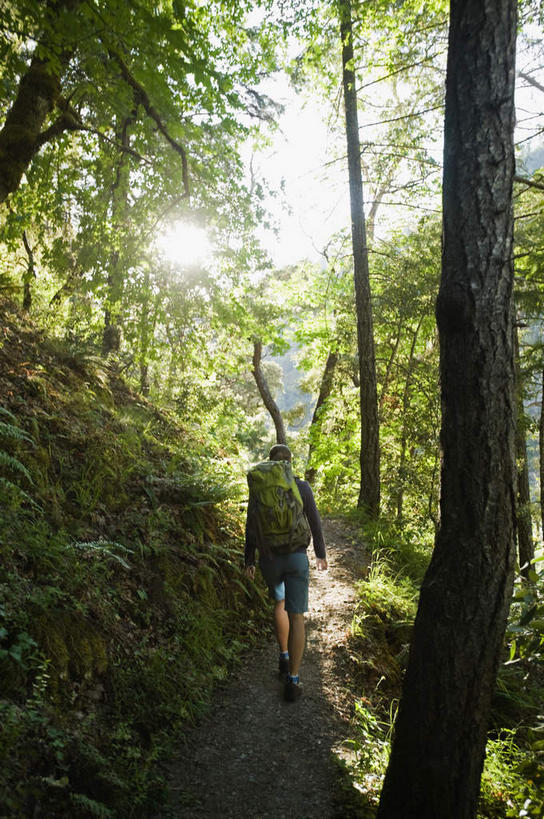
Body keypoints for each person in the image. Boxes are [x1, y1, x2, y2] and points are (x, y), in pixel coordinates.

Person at [244, 444, 327, 702]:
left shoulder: (260, 489)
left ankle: (283, 655)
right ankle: (293, 679)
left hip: (270, 559)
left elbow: (251, 526)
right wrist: (321, 554)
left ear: (270, 463)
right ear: (290, 463)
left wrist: (249, 560)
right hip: (296, 558)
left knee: (280, 602)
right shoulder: (301, 487)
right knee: (297, 617)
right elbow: (314, 521)